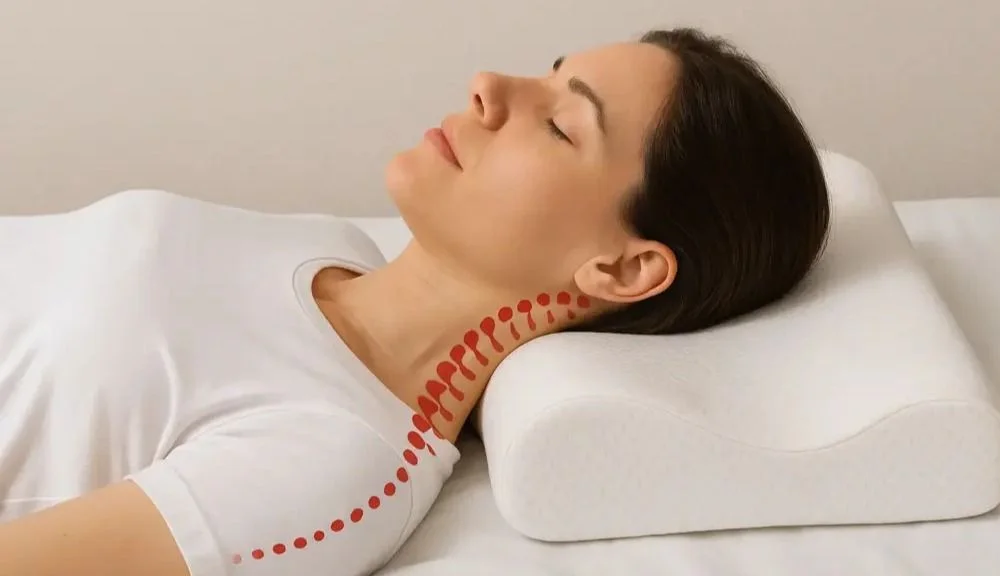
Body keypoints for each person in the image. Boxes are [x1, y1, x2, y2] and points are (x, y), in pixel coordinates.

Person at [0, 27, 829, 576]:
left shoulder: (338, 467)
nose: (489, 86)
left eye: (560, 125)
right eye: (548, 72)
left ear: (622, 269)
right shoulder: (326, 245)